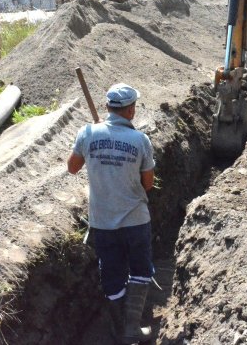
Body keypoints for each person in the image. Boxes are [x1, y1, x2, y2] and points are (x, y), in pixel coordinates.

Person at [67, 83, 156, 344]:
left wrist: (96, 153)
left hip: (103, 222)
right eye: (134, 107)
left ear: (107, 108)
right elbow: (148, 184)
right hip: (136, 219)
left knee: (112, 273)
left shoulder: (87, 133)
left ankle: (119, 331)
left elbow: (72, 167)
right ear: (130, 111)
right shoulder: (140, 140)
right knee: (141, 269)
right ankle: (132, 330)